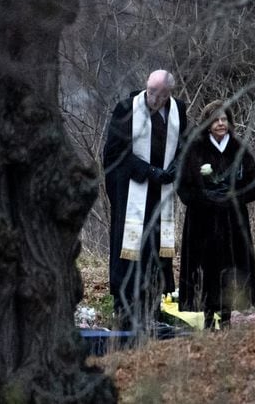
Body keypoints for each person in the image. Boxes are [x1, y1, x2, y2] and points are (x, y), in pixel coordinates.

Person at [103, 69, 188, 331]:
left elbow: (185, 144)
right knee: (130, 251)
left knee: (155, 251)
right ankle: (126, 311)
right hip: (132, 193)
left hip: (161, 194)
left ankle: (152, 309)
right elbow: (115, 152)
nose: (153, 97)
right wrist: (149, 171)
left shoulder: (177, 111)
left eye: (160, 94)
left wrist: (176, 167)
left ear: (168, 94)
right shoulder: (127, 109)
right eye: (150, 91)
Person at [177, 100, 255, 329]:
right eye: (216, 120)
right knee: (206, 268)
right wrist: (205, 197)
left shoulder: (238, 148)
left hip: (231, 222)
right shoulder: (195, 149)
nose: (220, 124)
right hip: (202, 222)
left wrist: (234, 196)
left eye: (224, 119)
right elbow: (183, 188)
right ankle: (207, 316)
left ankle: (225, 317)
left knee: (229, 268)